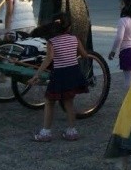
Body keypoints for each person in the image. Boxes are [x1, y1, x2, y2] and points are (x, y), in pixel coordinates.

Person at [29, 12, 90, 142]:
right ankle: (72, 131)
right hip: (73, 72)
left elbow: (49, 59)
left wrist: (36, 75)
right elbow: (85, 55)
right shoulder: (75, 38)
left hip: (60, 73)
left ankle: (46, 132)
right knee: (69, 102)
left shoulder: (52, 41)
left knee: (50, 102)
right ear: (68, 27)